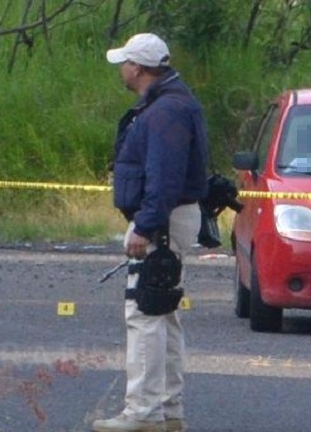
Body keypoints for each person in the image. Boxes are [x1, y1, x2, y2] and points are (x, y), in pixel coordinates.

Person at [93, 33, 209, 432]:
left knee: (145, 311)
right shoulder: (174, 103)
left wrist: (145, 225)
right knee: (164, 312)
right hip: (170, 216)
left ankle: (143, 413)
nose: (121, 70)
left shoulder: (164, 112)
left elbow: (164, 175)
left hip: (162, 219)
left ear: (137, 68)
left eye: (124, 63)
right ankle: (167, 410)